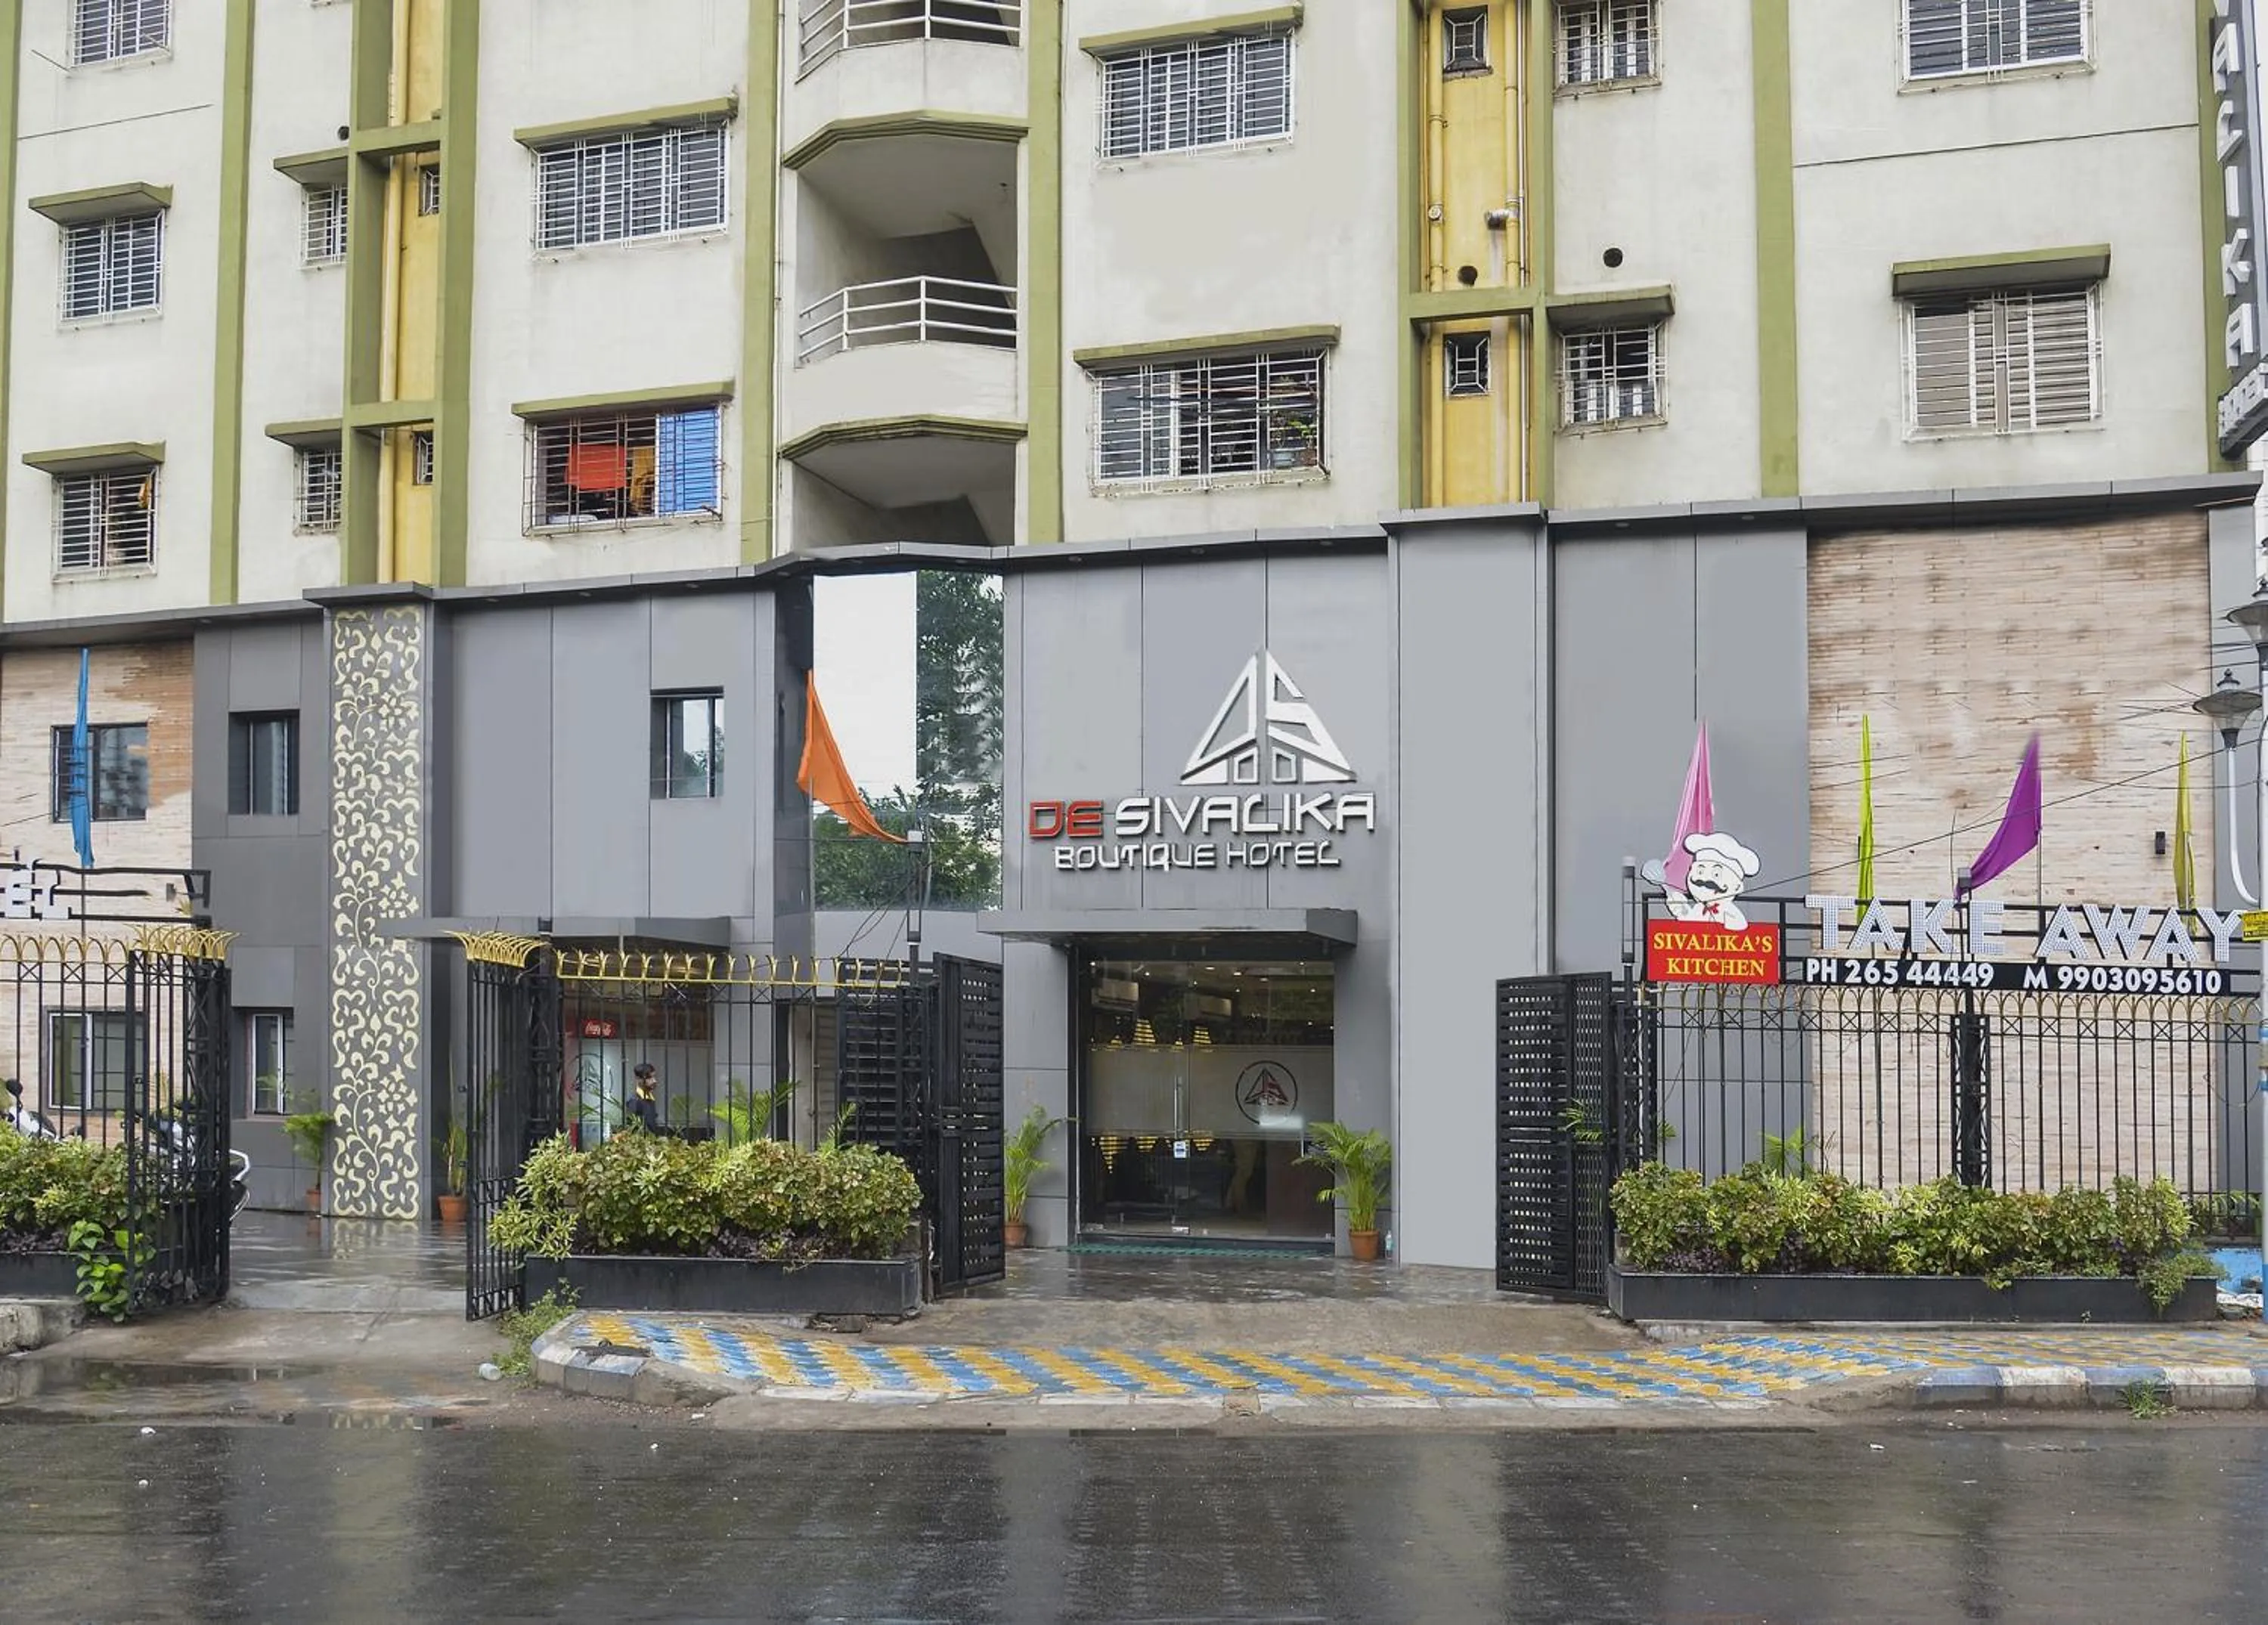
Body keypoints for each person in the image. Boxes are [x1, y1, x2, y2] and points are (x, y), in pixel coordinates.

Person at [626, 1063, 663, 1134]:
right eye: (649, 1078)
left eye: (654, 1077)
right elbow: (632, 1129)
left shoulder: (650, 1099)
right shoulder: (635, 1101)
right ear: (638, 1079)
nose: (654, 1081)